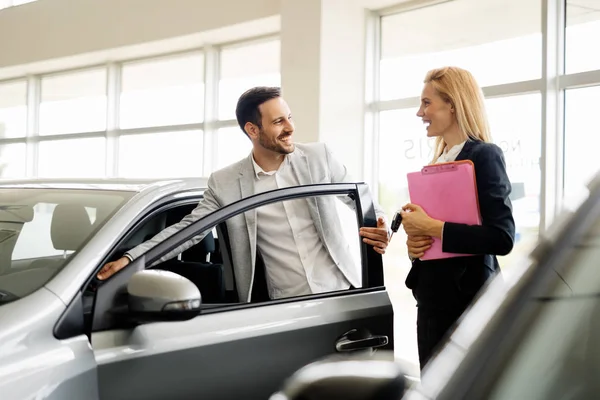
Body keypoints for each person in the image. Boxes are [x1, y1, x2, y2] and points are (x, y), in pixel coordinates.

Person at [98, 86, 390, 303]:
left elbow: (361, 199)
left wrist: (381, 223)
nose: (290, 128)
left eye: (289, 118)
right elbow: (189, 230)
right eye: (278, 122)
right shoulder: (225, 182)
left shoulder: (319, 157)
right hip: (282, 304)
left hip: (343, 292)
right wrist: (130, 259)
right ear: (252, 129)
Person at [399, 67, 515, 369]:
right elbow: (437, 236)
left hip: (469, 305)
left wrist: (434, 227)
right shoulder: (438, 162)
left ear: (452, 104)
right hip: (432, 304)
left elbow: (501, 237)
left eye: (427, 103)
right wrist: (417, 245)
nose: (419, 112)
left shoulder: (484, 156)